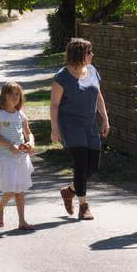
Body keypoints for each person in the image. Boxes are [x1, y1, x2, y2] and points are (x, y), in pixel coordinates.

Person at [51, 37, 111, 220]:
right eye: (89, 52)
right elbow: (54, 104)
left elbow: (98, 96)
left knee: (92, 166)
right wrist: (55, 129)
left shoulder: (92, 71)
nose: (92, 54)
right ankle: (83, 205)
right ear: (79, 54)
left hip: (89, 124)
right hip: (70, 124)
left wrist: (105, 118)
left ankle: (69, 191)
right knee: (81, 163)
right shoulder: (62, 76)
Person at [0, 81, 36, 231]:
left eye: (17, 94)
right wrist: (10, 145)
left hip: (21, 158)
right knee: (11, 189)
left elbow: (28, 133)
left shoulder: (20, 114)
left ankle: (22, 221)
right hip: (7, 157)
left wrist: (30, 143)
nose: (15, 97)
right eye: (11, 94)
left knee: (20, 190)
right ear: (4, 96)